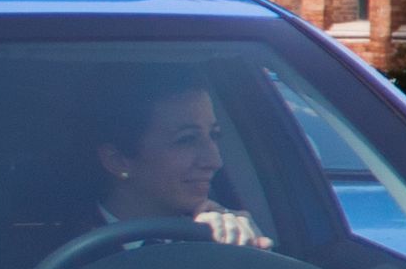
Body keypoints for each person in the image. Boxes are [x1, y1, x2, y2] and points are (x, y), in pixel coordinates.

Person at [89, 76, 271, 251]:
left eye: (214, 135)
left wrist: (247, 253)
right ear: (117, 161)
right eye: (186, 140)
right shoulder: (65, 250)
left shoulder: (217, 240)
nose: (215, 161)